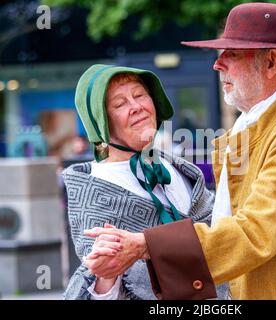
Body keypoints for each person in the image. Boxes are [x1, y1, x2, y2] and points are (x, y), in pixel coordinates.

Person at [84, 3, 276, 299]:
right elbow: (226, 224)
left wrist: (146, 245)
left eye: (233, 54)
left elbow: (254, 231)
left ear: (271, 62)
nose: (218, 64)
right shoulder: (252, 125)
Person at [62, 64, 229, 299]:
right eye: (120, 104)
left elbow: (225, 236)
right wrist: (105, 276)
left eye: (140, 95)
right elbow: (96, 285)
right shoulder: (94, 190)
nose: (137, 107)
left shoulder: (182, 170)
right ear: (101, 123)